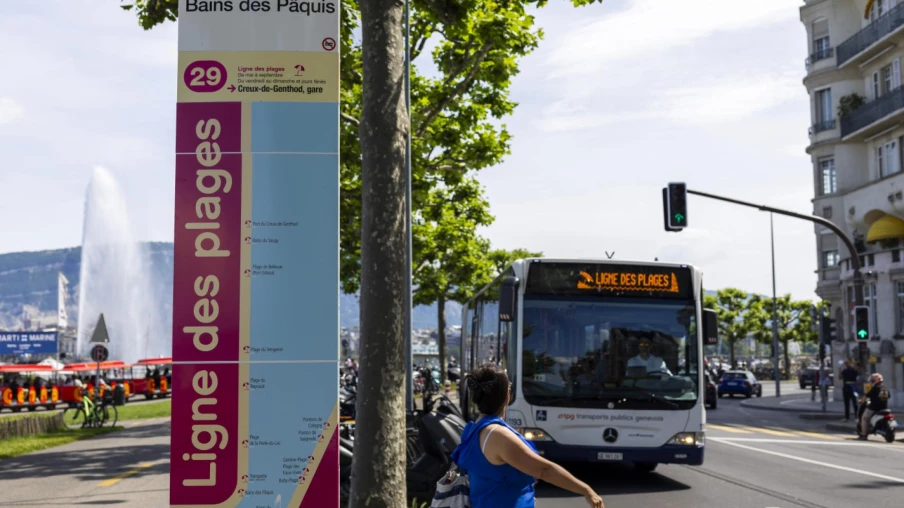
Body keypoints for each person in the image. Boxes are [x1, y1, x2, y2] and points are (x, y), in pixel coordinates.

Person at [452, 365, 604, 508]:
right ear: (507, 394)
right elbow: (545, 470)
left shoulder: (474, 428)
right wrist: (587, 491)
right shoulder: (498, 435)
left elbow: (491, 474)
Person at [858, 373, 890, 440]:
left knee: (864, 418)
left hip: (874, 408)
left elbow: (866, 396)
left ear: (874, 381)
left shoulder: (875, 388)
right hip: (885, 408)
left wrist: (861, 400)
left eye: (871, 381)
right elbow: (889, 396)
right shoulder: (885, 388)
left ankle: (864, 434)